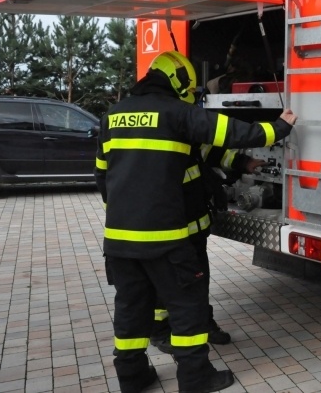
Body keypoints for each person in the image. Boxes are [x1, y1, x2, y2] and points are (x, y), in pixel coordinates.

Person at [95, 50, 296, 393]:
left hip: (119, 239)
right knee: (187, 306)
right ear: (179, 82)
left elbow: (102, 176)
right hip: (167, 239)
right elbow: (234, 132)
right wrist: (280, 126)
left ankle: (132, 377)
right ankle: (195, 378)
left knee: (131, 307)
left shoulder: (112, 116)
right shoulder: (178, 113)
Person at [149, 144, 266, 354]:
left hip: (195, 227)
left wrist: (244, 162)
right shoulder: (154, 137)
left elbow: (208, 152)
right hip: (167, 229)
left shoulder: (185, 129)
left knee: (199, 280)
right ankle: (160, 331)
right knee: (165, 280)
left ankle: (204, 323)